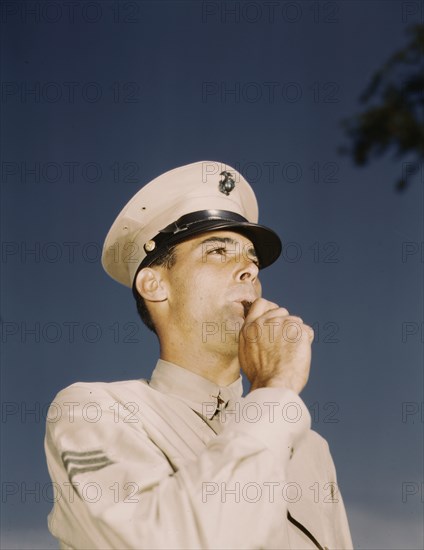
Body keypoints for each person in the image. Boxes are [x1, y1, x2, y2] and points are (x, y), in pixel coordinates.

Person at [44, 160, 353, 549]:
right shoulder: (94, 410)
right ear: (154, 284)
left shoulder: (310, 449)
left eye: (252, 259)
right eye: (219, 252)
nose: (249, 270)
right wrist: (275, 387)